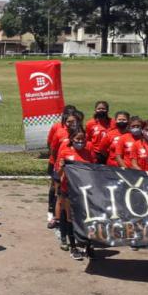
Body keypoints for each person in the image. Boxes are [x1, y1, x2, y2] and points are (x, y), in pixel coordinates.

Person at [55, 127, 96, 260]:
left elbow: (93, 171)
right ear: (72, 139)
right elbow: (59, 174)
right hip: (68, 191)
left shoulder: (88, 153)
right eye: (77, 139)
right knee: (70, 218)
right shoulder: (65, 152)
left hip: (84, 191)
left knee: (86, 218)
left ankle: (87, 245)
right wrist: (61, 167)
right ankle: (73, 246)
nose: (80, 142)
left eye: (83, 139)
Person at [46, 105, 77, 228]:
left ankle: (68, 216)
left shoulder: (78, 130)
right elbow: (51, 145)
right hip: (57, 164)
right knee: (55, 189)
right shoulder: (57, 128)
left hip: (72, 165)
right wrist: (54, 161)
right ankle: (51, 212)